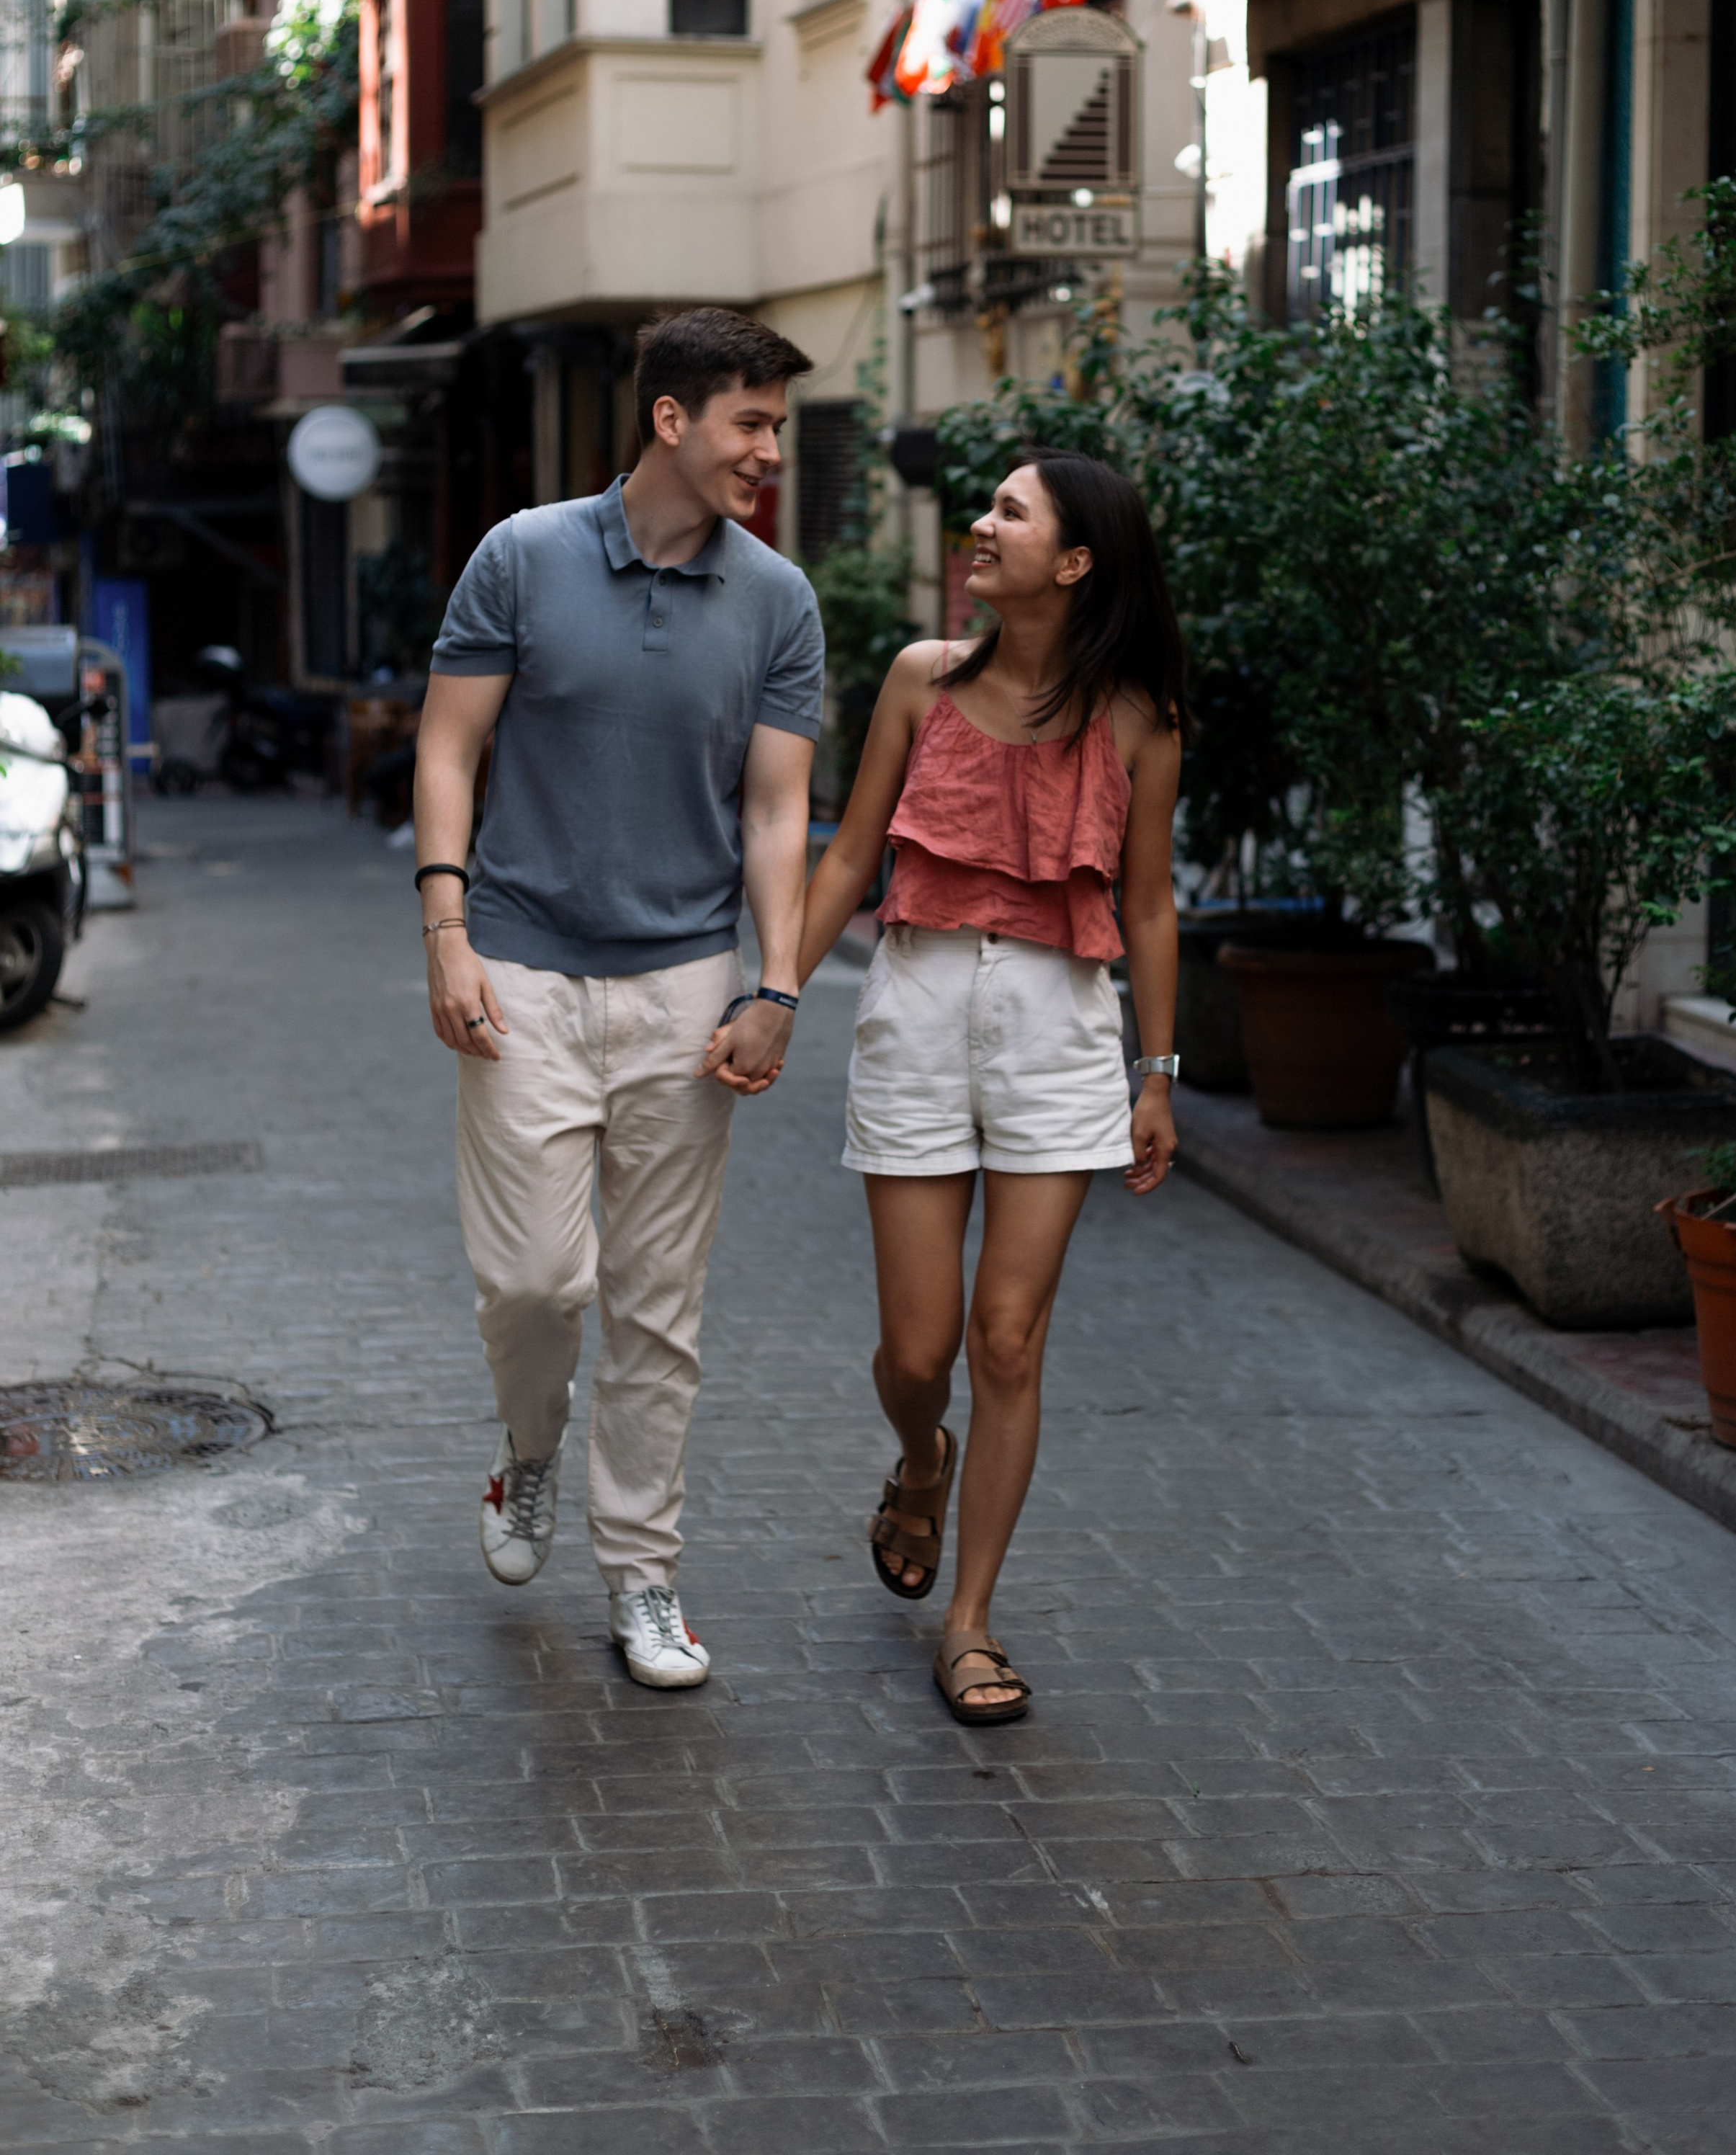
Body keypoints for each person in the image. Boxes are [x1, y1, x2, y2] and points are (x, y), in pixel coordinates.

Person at [413, 307, 821, 1690]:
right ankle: (528, 1456)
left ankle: (643, 1575)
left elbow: (777, 812)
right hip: (519, 970)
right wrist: (446, 929)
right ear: (671, 419)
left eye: (777, 426)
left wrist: (777, 981)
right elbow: (449, 747)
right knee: (536, 1283)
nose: (768, 450)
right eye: (750, 423)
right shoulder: (521, 557)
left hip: (686, 990)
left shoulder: (779, 598)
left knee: (659, 1305)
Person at [789, 449, 1184, 1724]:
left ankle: (970, 1623)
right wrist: (775, 992)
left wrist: (1157, 1073)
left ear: (1074, 562)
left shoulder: (1139, 719)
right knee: (919, 1350)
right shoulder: (921, 681)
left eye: (1011, 511)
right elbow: (850, 853)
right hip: (914, 1009)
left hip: (1059, 1029)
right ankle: (921, 1458)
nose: (981, 523)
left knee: (1007, 1339)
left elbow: (1151, 903)